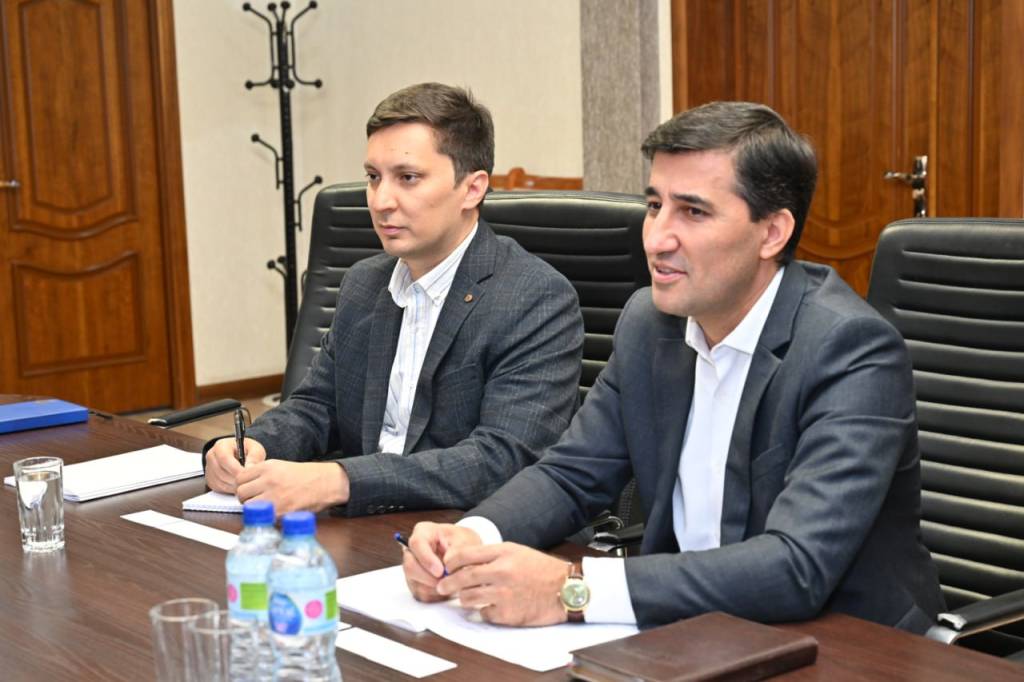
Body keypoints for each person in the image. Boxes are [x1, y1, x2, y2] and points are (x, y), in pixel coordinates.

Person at [400, 101, 945, 633]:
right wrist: (474, 536)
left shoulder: (850, 350)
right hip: (692, 627)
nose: (657, 238)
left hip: (847, 642)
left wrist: (572, 588)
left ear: (772, 233)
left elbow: (795, 566)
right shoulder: (650, 324)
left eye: (693, 212)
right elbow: (572, 474)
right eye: (654, 205)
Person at [204, 83, 583, 517]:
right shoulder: (364, 283)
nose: (381, 201)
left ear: (473, 189)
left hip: (467, 529)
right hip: (366, 523)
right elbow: (317, 406)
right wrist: (253, 445)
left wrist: (342, 480)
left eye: (408, 178)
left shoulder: (536, 298)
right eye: (373, 177)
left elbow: (502, 459)